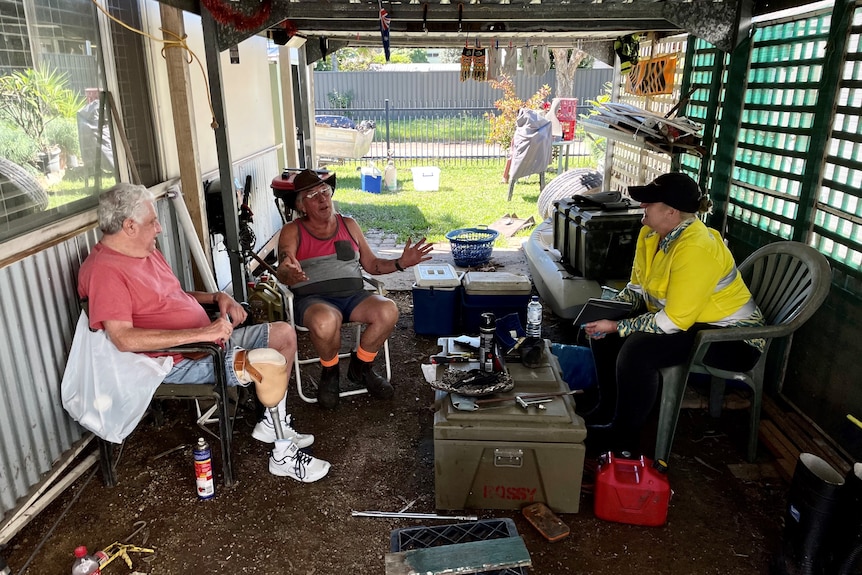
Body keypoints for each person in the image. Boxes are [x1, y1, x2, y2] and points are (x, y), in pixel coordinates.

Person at [78, 183, 330, 482]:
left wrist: (216, 298)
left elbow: (171, 295)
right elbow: (124, 338)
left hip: (206, 341)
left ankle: (272, 423)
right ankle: (282, 455)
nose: (158, 228)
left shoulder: (143, 251)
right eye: (152, 222)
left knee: (284, 334)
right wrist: (202, 333)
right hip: (174, 362)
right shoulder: (105, 271)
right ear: (129, 226)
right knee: (266, 363)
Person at [582, 173, 766, 456]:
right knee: (602, 335)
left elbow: (673, 322)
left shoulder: (696, 248)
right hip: (691, 321)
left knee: (638, 348)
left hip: (732, 338)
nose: (642, 205)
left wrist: (618, 326)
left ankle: (623, 434)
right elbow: (637, 288)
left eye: (649, 202)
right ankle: (606, 408)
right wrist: (607, 313)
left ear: (671, 211)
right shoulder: (650, 233)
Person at [276, 169, 433, 409]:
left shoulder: (348, 224)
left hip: (354, 297)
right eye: (312, 195)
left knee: (388, 310)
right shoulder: (293, 230)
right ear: (302, 206)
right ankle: (330, 373)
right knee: (325, 321)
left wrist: (402, 263)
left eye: (325, 191)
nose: (322, 198)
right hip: (314, 300)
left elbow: (372, 265)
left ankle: (361, 367)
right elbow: (284, 267)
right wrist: (289, 271)